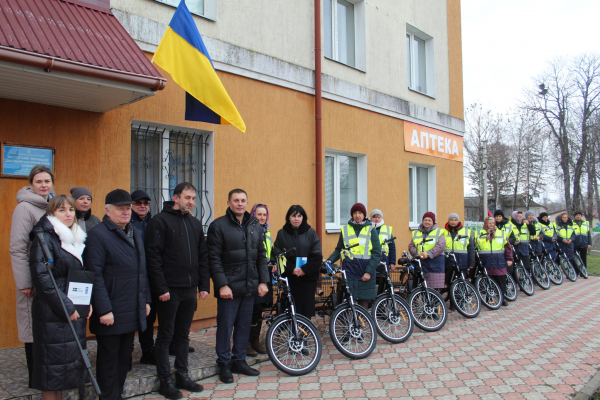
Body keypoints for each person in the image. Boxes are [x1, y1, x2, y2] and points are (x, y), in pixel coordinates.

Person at [84, 189, 152, 400]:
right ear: (107, 211)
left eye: (127, 208)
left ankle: (118, 395)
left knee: (124, 359)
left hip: (132, 308)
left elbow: (143, 270)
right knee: (109, 360)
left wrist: (147, 299)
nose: (125, 212)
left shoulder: (135, 233)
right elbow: (95, 276)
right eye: (120, 208)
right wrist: (104, 309)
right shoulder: (98, 235)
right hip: (111, 311)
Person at [144, 183, 209, 399]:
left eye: (193, 198)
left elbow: (203, 256)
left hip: (189, 289)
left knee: (183, 335)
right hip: (168, 291)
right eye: (187, 197)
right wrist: (161, 288)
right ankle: (165, 380)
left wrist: (204, 286)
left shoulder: (195, 223)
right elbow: (153, 258)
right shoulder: (159, 222)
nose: (191, 202)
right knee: (165, 336)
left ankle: (182, 374)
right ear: (176, 198)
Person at [29, 195, 89, 400]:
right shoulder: (43, 238)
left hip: (70, 308)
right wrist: (68, 307)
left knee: (63, 368)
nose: (68, 214)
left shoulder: (74, 237)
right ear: (51, 213)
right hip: (52, 311)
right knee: (50, 367)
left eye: (71, 210)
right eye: (62, 210)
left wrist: (83, 305)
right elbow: (42, 279)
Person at [207, 189, 269, 384]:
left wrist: (263, 281)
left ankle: (239, 360)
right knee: (225, 327)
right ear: (228, 203)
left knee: (243, 325)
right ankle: (224, 363)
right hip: (229, 289)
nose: (240, 204)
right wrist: (222, 285)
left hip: (250, 286)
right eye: (236, 200)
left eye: (243, 200)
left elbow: (261, 256)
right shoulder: (218, 226)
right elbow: (214, 259)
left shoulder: (254, 226)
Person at [10, 165, 54, 387]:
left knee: (46, 330)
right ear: (31, 184)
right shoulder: (25, 208)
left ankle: (47, 380)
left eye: (47, 181)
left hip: (52, 280)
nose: (44, 185)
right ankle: (35, 381)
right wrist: (25, 282)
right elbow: (18, 248)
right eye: (39, 182)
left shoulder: (52, 206)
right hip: (33, 283)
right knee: (32, 332)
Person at [271, 205, 322, 318]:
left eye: (299, 216)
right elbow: (278, 255)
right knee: (290, 308)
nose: (296, 219)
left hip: (307, 279)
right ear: (288, 217)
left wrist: (304, 270)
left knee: (305, 310)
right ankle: (292, 333)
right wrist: (291, 269)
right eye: (293, 216)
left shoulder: (311, 233)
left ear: (303, 218)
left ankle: (304, 333)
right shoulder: (282, 233)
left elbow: (317, 256)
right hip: (290, 278)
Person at [327, 203, 381, 309]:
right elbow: (339, 250)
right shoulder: (345, 230)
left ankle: (362, 325)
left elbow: (377, 252)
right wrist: (329, 260)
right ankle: (351, 325)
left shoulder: (371, 229)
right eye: (355, 213)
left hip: (365, 272)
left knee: (363, 305)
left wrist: (368, 272)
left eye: (360, 213)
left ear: (364, 215)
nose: (357, 215)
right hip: (350, 271)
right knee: (350, 303)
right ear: (352, 215)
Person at [130, 190, 157, 365]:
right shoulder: (128, 222)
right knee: (132, 316)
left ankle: (147, 350)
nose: (142, 206)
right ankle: (127, 352)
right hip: (133, 276)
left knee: (149, 315)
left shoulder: (153, 222)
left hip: (151, 275)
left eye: (145, 203)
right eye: (138, 203)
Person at [246, 203, 273, 357]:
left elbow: (270, 252)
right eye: (259, 214)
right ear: (253, 214)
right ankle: (247, 342)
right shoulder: (249, 230)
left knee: (260, 308)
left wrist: (273, 262)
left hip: (265, 275)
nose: (261, 217)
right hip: (253, 275)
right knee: (251, 308)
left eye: (264, 215)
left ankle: (256, 340)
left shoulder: (267, 233)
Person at [475, 217, 513, 307]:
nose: (491, 225)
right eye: (489, 223)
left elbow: (508, 247)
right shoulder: (479, 233)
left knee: (501, 281)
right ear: (485, 224)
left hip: (499, 261)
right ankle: (489, 298)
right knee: (487, 281)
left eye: (493, 223)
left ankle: (502, 298)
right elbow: (474, 246)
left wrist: (509, 259)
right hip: (486, 261)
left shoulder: (502, 233)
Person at [408, 212, 446, 291]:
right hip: (420, 263)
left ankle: (433, 303)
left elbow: (441, 246)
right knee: (419, 289)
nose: (427, 222)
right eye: (425, 220)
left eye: (429, 220)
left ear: (433, 222)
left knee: (433, 289)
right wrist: (418, 253)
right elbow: (411, 246)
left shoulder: (438, 232)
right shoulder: (417, 232)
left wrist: (428, 254)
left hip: (435, 264)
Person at [442, 213, 475, 289]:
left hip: (462, 261)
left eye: (455, 220)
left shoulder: (466, 232)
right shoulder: (443, 232)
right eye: (451, 220)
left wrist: (471, 262)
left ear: (458, 221)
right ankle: (451, 298)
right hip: (448, 261)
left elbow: (471, 248)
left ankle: (459, 298)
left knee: (461, 282)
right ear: (448, 221)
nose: (453, 222)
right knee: (448, 283)